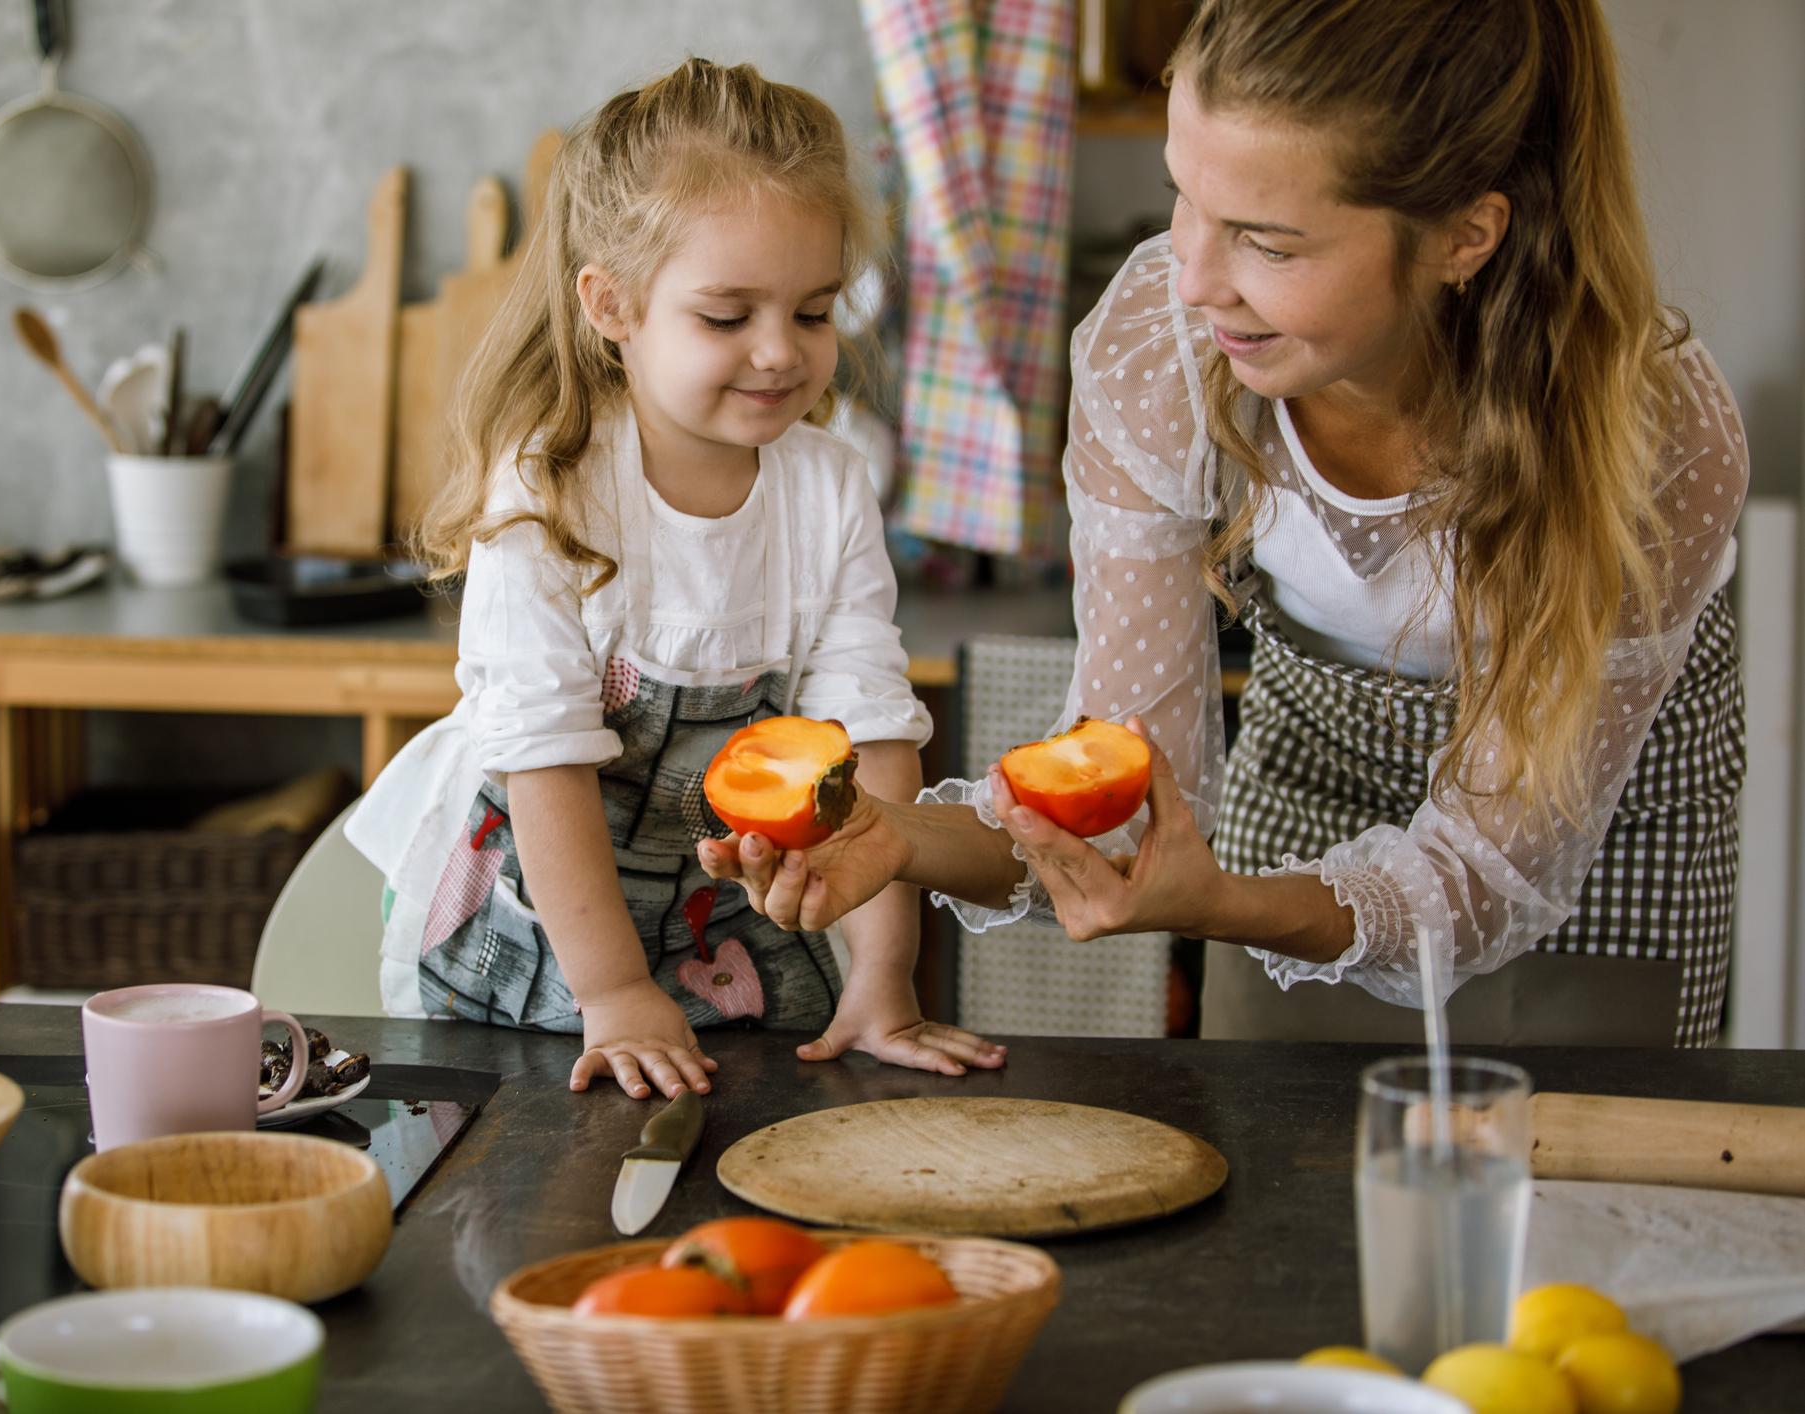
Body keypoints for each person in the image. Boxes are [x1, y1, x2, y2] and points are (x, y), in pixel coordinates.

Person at [703, 0, 1750, 1047]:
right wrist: (895, 835)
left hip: (1598, 863)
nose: (1194, 281)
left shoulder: (1656, 440)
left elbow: (1481, 877)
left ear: (1463, 237)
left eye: (1266, 242)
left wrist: (1215, 905)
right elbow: (1114, 781)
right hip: (1299, 799)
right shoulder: (1160, 352)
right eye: (1184, 200)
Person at [345, 57, 1005, 1099]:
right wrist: (610, 991)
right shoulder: (549, 489)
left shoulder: (828, 489)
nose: (780, 353)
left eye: (816, 311)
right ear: (614, 305)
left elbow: (869, 757)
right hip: (540, 923)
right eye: (727, 315)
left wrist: (882, 980)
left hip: (717, 922)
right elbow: (549, 772)